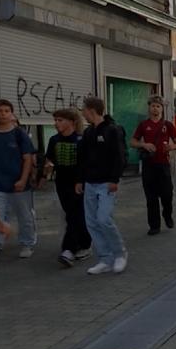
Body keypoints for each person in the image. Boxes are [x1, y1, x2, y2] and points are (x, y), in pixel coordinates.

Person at [0, 99, 37, 264]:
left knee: (24, 215)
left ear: (11, 113)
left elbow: (27, 159)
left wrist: (23, 179)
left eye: (6, 111)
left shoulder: (19, 134)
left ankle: (27, 243)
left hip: (19, 184)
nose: (3, 114)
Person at [78, 97, 128, 275]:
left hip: (106, 183)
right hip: (90, 183)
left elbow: (120, 156)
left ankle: (120, 254)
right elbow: (82, 158)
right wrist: (80, 180)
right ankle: (105, 258)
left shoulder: (113, 130)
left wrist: (114, 179)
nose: (82, 113)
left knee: (104, 219)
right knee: (91, 222)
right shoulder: (88, 132)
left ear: (91, 110)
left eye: (83, 109)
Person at [41, 109, 93, 267]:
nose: (56, 123)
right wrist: (45, 172)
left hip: (78, 183)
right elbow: (50, 159)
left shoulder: (81, 139)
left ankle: (68, 250)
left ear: (72, 122)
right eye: (55, 120)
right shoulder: (54, 140)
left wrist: (80, 180)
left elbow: (86, 163)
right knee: (73, 214)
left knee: (74, 215)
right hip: (61, 182)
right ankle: (84, 243)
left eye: (60, 120)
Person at [132, 96, 176, 236]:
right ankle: (154, 225)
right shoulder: (143, 125)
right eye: (153, 106)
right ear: (149, 107)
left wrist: (171, 147)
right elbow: (133, 142)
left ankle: (167, 214)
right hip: (149, 165)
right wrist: (144, 144)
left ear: (162, 108)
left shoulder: (168, 125)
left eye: (158, 106)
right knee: (151, 197)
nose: (155, 108)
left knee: (167, 194)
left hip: (163, 164)